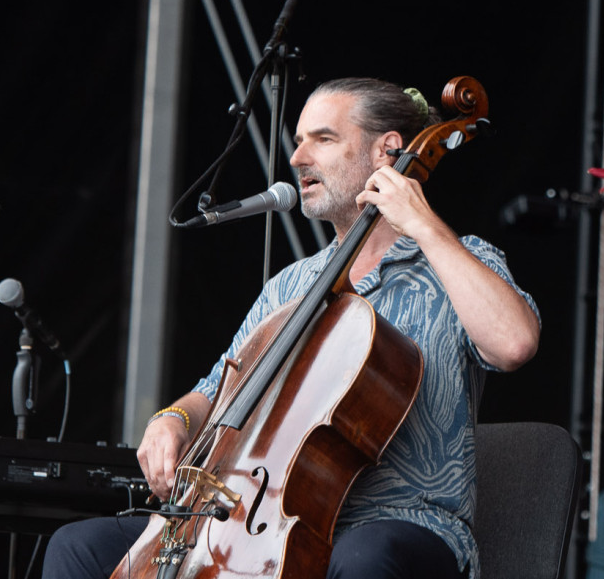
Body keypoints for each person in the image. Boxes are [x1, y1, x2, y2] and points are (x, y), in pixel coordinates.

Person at [43, 78, 541, 579]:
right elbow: (217, 390)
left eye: (322, 139)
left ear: (387, 152)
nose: (298, 156)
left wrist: (425, 226)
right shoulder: (291, 287)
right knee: (79, 547)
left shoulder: (460, 260)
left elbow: (514, 344)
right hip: (261, 519)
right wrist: (171, 419)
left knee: (364, 557)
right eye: (298, 140)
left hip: (396, 526)